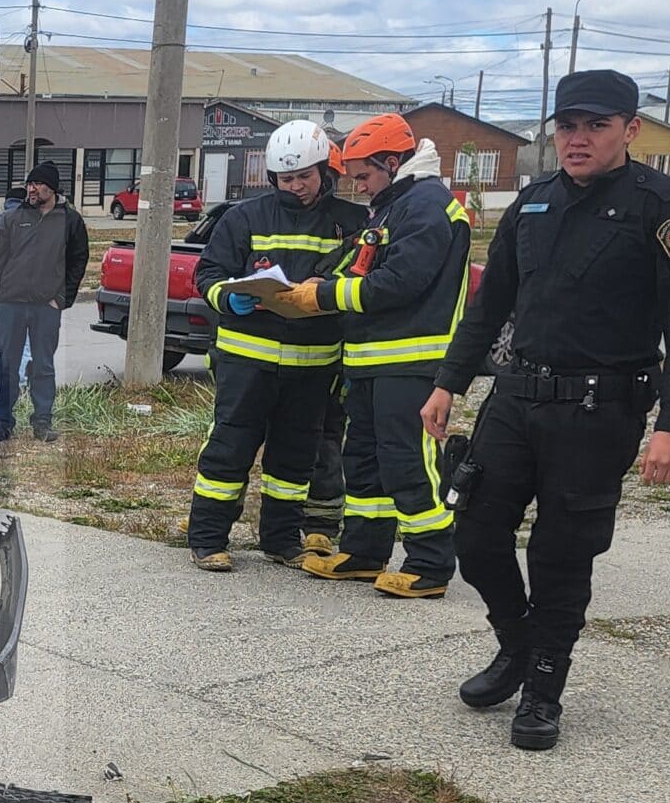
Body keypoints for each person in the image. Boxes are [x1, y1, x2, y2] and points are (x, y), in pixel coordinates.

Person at [424, 69, 670, 752]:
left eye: (595, 126)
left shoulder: (663, 208)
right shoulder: (534, 202)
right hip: (516, 398)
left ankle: (545, 687)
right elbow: (490, 304)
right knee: (474, 533)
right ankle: (518, 645)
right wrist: (448, 383)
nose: (577, 139)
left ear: (630, 129)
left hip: (598, 410)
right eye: (567, 126)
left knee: (560, 554)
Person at [270, 114, 469, 598]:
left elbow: (400, 282)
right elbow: (355, 261)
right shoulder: (392, 205)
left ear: (393, 162)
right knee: (363, 459)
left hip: (410, 359)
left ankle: (429, 563)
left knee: (407, 459)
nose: (357, 187)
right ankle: (363, 551)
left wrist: (325, 296)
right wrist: (314, 281)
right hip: (371, 360)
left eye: (364, 175)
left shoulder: (425, 206)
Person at [183, 121, 367, 570]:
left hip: (313, 366)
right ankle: (208, 539)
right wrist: (231, 296)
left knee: (294, 458)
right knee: (229, 449)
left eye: (305, 175)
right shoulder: (244, 217)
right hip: (247, 361)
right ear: (272, 178)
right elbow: (206, 276)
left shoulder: (351, 222)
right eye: (287, 179)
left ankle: (281, 540)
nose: (297, 186)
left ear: (325, 171)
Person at [0, 162, 89, 443]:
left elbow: (78, 261)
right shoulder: (13, 219)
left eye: (36, 184)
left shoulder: (70, 221)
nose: (31, 189)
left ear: (51, 188)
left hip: (45, 308)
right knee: (7, 366)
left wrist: (62, 298)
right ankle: (2, 422)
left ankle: (42, 421)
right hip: (9, 305)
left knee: (43, 365)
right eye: (29, 184)